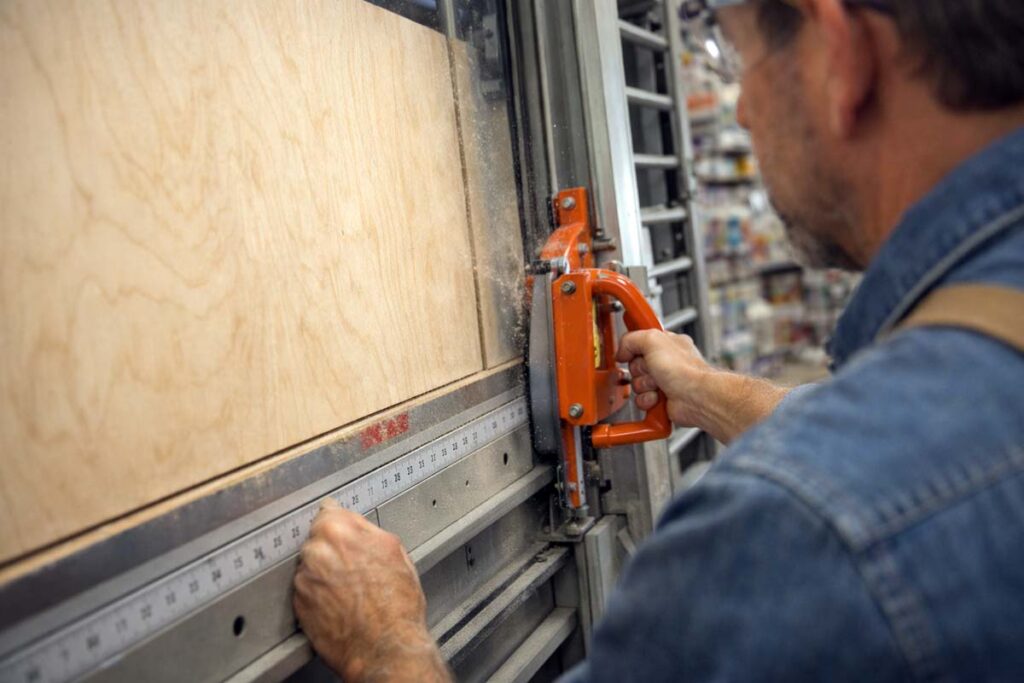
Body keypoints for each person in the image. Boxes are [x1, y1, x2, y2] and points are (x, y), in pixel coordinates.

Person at [292, 0, 1024, 679]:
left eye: (738, 60)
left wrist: (384, 643)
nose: (739, 106)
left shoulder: (797, 530)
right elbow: (919, 444)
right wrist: (709, 393)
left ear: (841, 53)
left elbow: (865, 484)